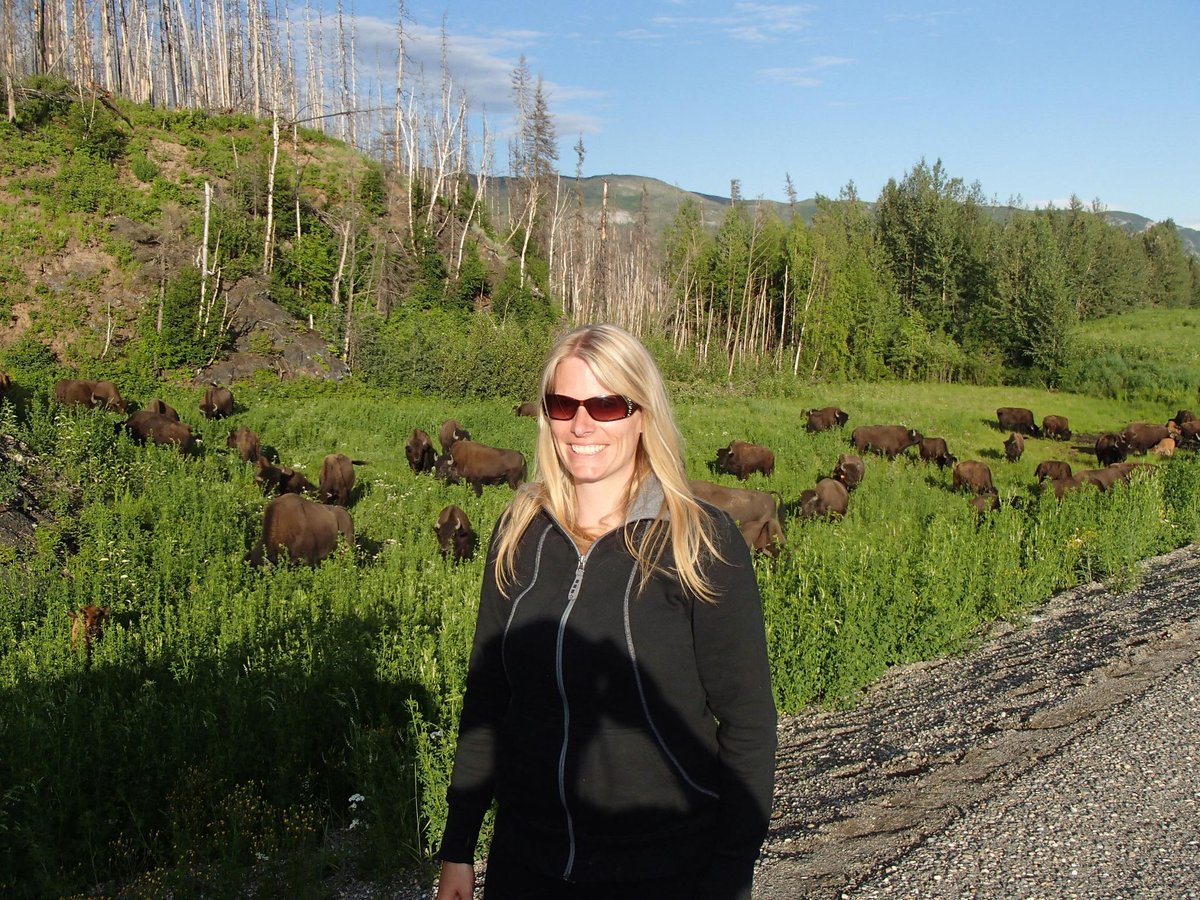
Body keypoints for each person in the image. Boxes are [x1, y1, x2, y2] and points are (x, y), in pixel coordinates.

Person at [435, 323, 777, 900]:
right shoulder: (520, 529)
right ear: (545, 416)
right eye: (563, 404)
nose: (582, 424)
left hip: (664, 870)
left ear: (641, 414)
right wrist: (459, 847)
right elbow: (488, 695)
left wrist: (730, 874)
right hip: (526, 864)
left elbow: (748, 724)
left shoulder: (701, 540)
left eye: (607, 403)